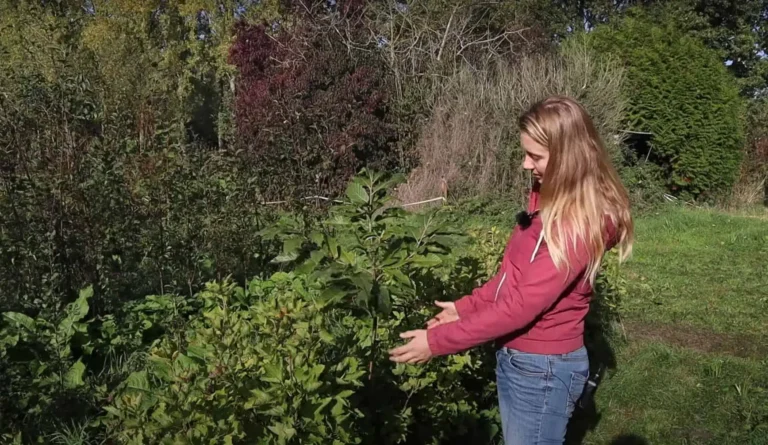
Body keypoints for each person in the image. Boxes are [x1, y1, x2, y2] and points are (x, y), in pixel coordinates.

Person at [389, 96, 634, 445]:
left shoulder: (575, 225)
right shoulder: (549, 204)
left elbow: (520, 306)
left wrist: (437, 342)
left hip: (541, 369)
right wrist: (464, 307)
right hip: (525, 361)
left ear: (568, 158)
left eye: (535, 156)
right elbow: (513, 278)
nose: (525, 164)